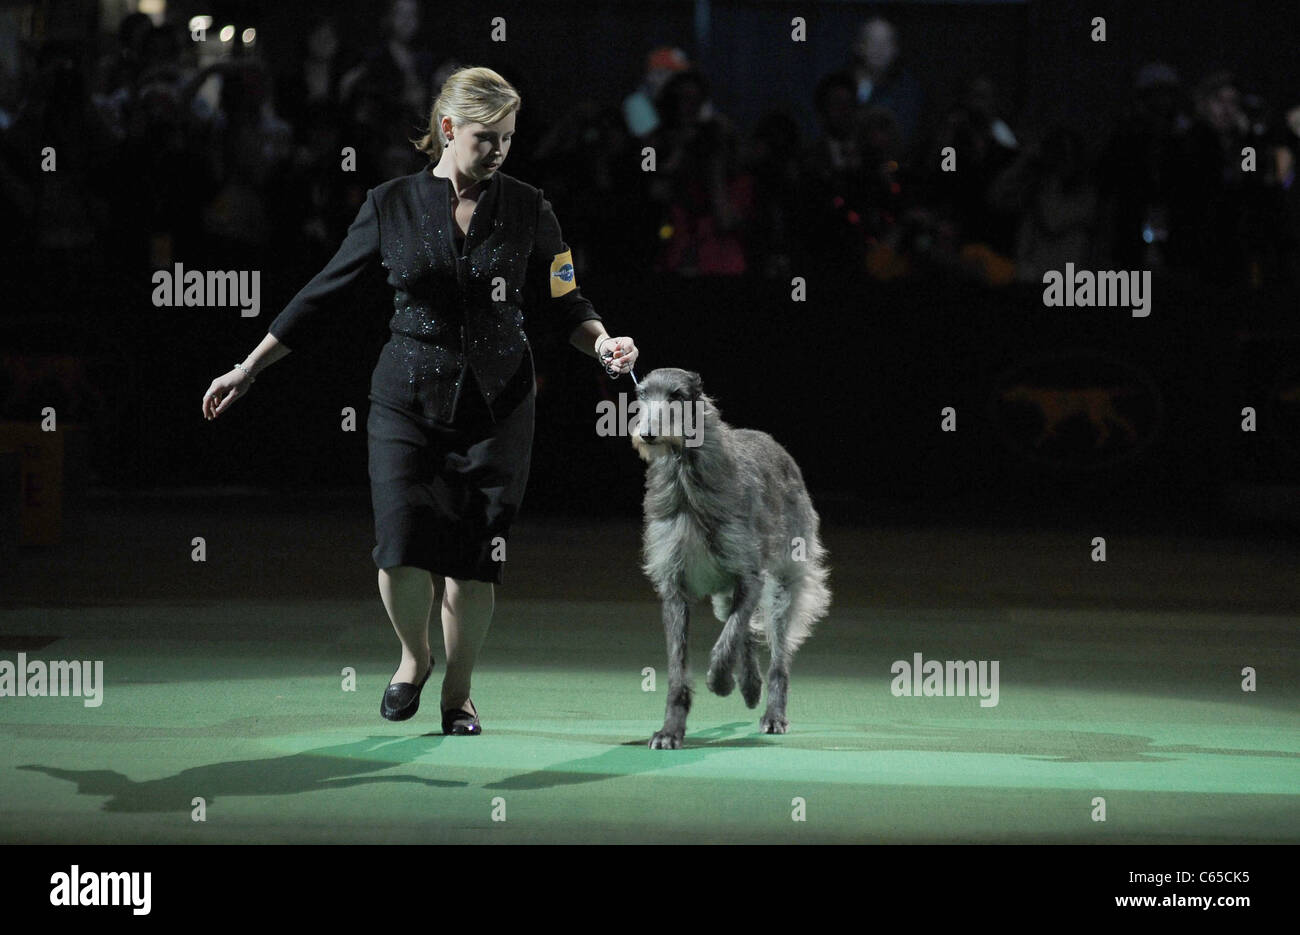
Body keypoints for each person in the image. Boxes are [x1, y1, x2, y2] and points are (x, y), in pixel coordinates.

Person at [200, 66, 639, 735]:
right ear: (446, 128)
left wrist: (604, 342)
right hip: (405, 396)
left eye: (509, 139)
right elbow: (323, 293)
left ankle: (458, 695)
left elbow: (566, 300)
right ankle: (414, 656)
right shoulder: (389, 203)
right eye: (486, 137)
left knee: (474, 559)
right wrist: (248, 367)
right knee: (400, 545)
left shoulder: (530, 207)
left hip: (499, 404)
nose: (498, 151)